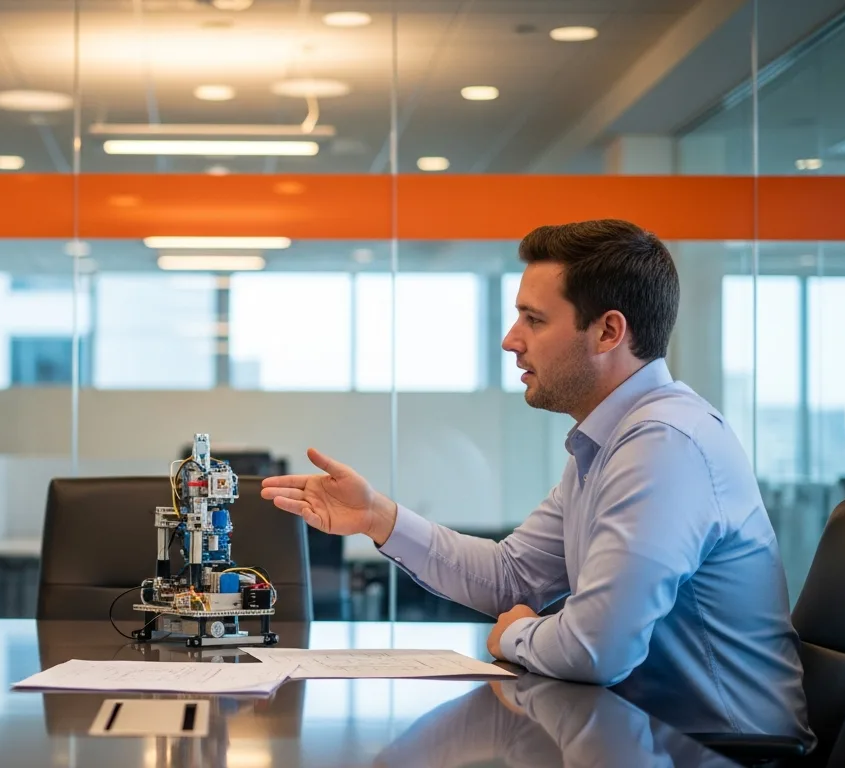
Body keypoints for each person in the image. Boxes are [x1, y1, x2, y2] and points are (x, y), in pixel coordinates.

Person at [262, 220, 811, 742]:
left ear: (608, 331)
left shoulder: (664, 444)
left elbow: (597, 649)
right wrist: (378, 518)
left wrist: (515, 635)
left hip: (720, 752)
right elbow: (511, 577)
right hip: (642, 735)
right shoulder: (609, 440)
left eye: (534, 319)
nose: (510, 340)